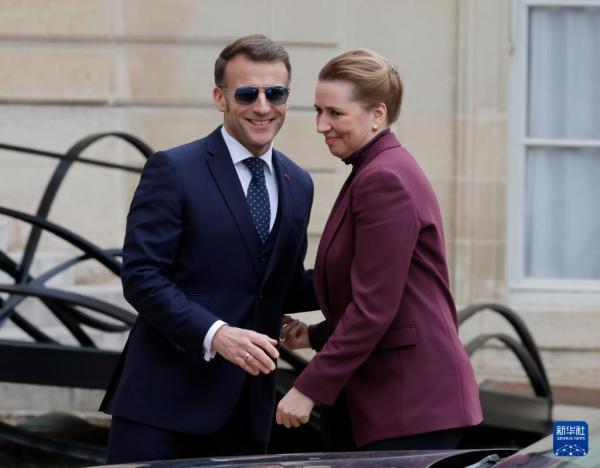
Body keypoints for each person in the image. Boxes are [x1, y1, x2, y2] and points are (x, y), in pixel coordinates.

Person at [100, 34, 317, 463]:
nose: (262, 107)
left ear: (287, 98)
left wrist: (365, 272)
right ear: (221, 98)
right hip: (162, 407)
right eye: (247, 93)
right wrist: (216, 334)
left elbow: (281, 284)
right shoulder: (174, 169)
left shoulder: (299, 182)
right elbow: (142, 277)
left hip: (247, 413)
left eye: (275, 93)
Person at [276, 49, 482, 451]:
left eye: (335, 113)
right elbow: (374, 291)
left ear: (377, 114)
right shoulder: (373, 168)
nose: (321, 125)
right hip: (397, 401)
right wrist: (313, 335)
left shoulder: (383, 178)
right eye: (318, 111)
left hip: (411, 404)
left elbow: (375, 307)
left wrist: (308, 388)